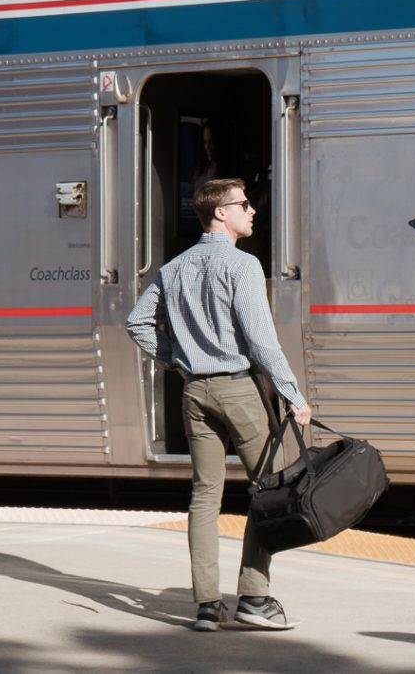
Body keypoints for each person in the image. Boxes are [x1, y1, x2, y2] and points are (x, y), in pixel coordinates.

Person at [126, 177, 312, 632]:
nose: (252, 211)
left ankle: (207, 605)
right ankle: (254, 597)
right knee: (269, 491)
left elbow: (137, 323)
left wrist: (178, 358)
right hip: (237, 389)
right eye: (243, 204)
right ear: (219, 213)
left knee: (205, 495)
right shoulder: (243, 265)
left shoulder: (173, 269)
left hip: (195, 391)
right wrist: (291, 392)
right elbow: (261, 339)